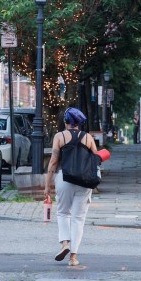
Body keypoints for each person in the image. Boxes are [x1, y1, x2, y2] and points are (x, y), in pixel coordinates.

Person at [42, 107, 99, 267]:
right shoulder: (88, 138)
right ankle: (73, 257)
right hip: (84, 182)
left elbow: (53, 161)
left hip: (64, 179)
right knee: (78, 218)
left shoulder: (60, 136)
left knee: (62, 213)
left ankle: (64, 243)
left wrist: (47, 184)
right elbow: (96, 159)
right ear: (79, 123)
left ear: (66, 121)